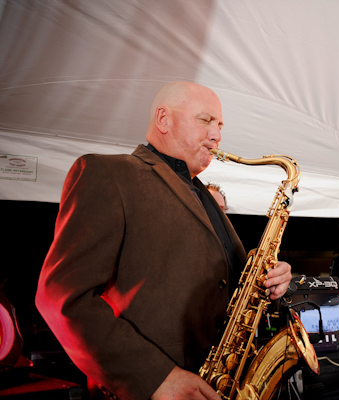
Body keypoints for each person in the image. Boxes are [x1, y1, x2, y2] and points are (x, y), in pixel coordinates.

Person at [35, 81, 292, 400]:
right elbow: (61, 297)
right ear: (163, 119)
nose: (217, 135)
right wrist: (155, 378)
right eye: (205, 120)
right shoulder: (108, 172)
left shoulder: (203, 194)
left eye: (220, 125)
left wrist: (270, 280)